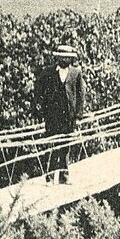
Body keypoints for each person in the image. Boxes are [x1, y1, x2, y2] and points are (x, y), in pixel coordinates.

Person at [34, 41, 86, 183]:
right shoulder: (48, 72)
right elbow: (38, 90)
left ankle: (64, 176)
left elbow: (81, 94)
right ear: (57, 58)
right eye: (61, 57)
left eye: (67, 58)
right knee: (52, 145)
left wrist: (78, 115)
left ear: (71, 59)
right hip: (52, 116)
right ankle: (50, 178)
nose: (64, 60)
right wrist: (41, 109)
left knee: (65, 146)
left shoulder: (76, 72)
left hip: (68, 116)